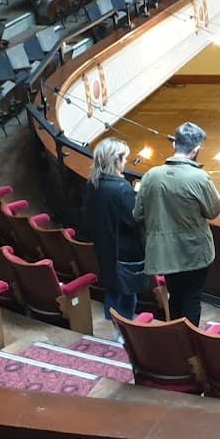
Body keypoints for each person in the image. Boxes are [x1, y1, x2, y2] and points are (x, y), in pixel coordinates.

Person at [133, 121, 220, 325]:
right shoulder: (200, 178)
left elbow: (137, 213)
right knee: (192, 297)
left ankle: (176, 339)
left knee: (174, 295)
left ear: (174, 145)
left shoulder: (151, 176)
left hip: (164, 252)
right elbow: (213, 211)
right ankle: (191, 345)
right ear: (196, 150)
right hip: (194, 252)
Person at [81, 137, 145, 327]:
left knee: (111, 287)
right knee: (127, 292)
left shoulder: (92, 183)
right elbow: (134, 219)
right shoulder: (121, 188)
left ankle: (113, 324)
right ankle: (124, 331)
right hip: (124, 250)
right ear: (116, 160)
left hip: (104, 245)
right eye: (124, 157)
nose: (126, 161)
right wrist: (138, 197)